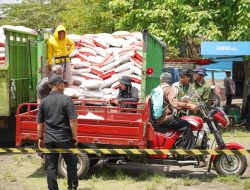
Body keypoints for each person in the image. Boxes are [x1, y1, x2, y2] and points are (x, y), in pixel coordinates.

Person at [37, 74, 78, 190]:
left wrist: (40, 138)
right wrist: (75, 136)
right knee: (71, 164)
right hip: (65, 139)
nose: (64, 86)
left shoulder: (44, 102)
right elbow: (73, 120)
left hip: (50, 139)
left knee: (51, 167)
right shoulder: (67, 100)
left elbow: (40, 123)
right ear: (58, 85)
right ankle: (72, 187)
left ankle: (53, 188)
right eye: (63, 84)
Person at [154, 72, 197, 150]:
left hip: (157, 118)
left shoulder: (157, 88)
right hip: (165, 118)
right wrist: (188, 105)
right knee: (186, 125)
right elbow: (175, 104)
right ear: (170, 80)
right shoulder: (169, 89)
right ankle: (188, 153)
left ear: (161, 80)